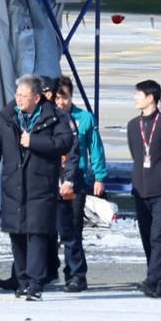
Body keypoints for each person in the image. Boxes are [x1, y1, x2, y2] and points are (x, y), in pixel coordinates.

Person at [0, 75, 76, 300]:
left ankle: (35, 282)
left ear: (36, 97)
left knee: (37, 234)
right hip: (13, 186)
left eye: (24, 96)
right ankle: (21, 280)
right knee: (17, 234)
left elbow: (65, 143)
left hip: (40, 185)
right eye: (17, 95)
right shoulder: (7, 118)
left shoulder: (54, 117)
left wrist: (35, 142)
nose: (19, 99)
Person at [125, 79, 161, 299]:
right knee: (148, 237)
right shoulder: (133, 125)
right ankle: (159, 280)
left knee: (160, 237)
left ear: (151, 98)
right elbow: (135, 154)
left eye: (138, 94)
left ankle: (153, 280)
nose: (134, 98)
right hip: (141, 190)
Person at [49, 77, 106, 292]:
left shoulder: (84, 119)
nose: (61, 102)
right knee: (49, 230)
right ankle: (48, 271)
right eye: (57, 98)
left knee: (72, 229)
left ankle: (76, 274)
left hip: (75, 181)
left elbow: (95, 149)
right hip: (51, 180)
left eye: (65, 97)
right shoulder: (49, 118)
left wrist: (99, 177)